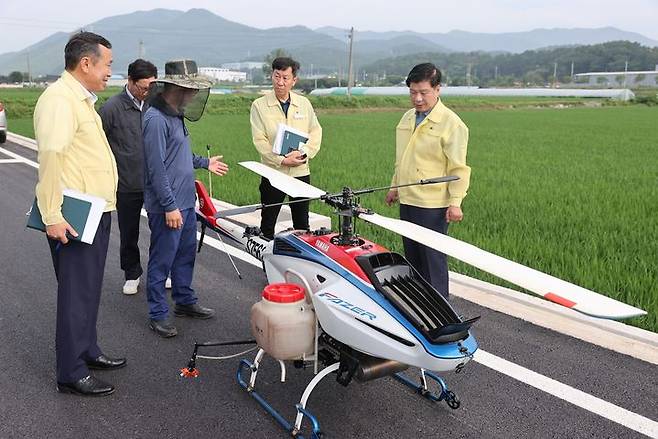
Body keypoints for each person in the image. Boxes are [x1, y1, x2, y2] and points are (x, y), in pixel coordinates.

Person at [34, 31, 125, 397]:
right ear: (86, 63)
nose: (109, 72)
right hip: (73, 215)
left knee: (87, 290)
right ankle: (71, 372)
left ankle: (87, 350)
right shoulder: (60, 100)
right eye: (107, 64)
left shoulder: (81, 100)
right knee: (76, 293)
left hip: (95, 210)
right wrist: (52, 215)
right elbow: (52, 157)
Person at [142, 59, 229, 338]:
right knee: (162, 259)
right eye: (190, 89)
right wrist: (169, 207)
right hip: (168, 206)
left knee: (186, 254)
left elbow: (179, 156)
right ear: (176, 88)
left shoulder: (175, 114)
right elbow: (156, 168)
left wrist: (204, 162)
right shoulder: (155, 119)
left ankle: (184, 300)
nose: (193, 95)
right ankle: (157, 313)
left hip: (186, 203)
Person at [385, 63, 471, 299]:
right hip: (408, 199)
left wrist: (455, 202)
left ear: (438, 89)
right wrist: (394, 188)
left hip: (433, 205)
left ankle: (441, 312)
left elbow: (459, 168)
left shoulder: (452, 124)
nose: (418, 98)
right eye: (413, 92)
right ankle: (420, 308)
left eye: (424, 92)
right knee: (413, 258)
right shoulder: (407, 118)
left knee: (432, 259)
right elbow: (402, 159)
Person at [99, 59, 157, 295]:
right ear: (130, 82)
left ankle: (160, 272)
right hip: (127, 184)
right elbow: (98, 145)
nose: (147, 92)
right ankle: (132, 274)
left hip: (155, 183)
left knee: (161, 231)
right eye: (143, 87)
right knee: (129, 232)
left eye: (151, 87)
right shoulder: (112, 108)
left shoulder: (156, 104)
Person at [250, 57, 322, 240]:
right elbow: (260, 140)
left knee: (302, 224)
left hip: (300, 171)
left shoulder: (304, 103)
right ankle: (266, 264)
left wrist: (305, 153)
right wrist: (281, 160)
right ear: (272, 76)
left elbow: (316, 131)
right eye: (277, 76)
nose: (280, 82)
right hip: (273, 173)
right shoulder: (259, 105)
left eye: (285, 78)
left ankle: (300, 265)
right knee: (268, 222)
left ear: (294, 80)